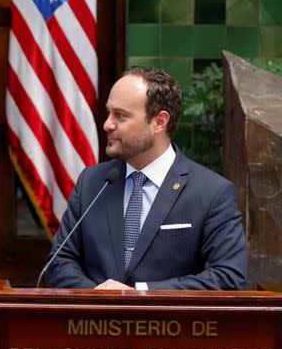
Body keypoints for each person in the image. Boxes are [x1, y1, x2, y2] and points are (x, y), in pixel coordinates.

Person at [46, 67, 247, 290]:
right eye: (109, 113)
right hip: (94, 323)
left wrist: (142, 293)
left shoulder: (211, 193)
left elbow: (228, 276)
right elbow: (59, 262)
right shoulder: (92, 182)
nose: (107, 124)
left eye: (120, 115)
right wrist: (98, 297)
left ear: (159, 122)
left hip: (172, 324)